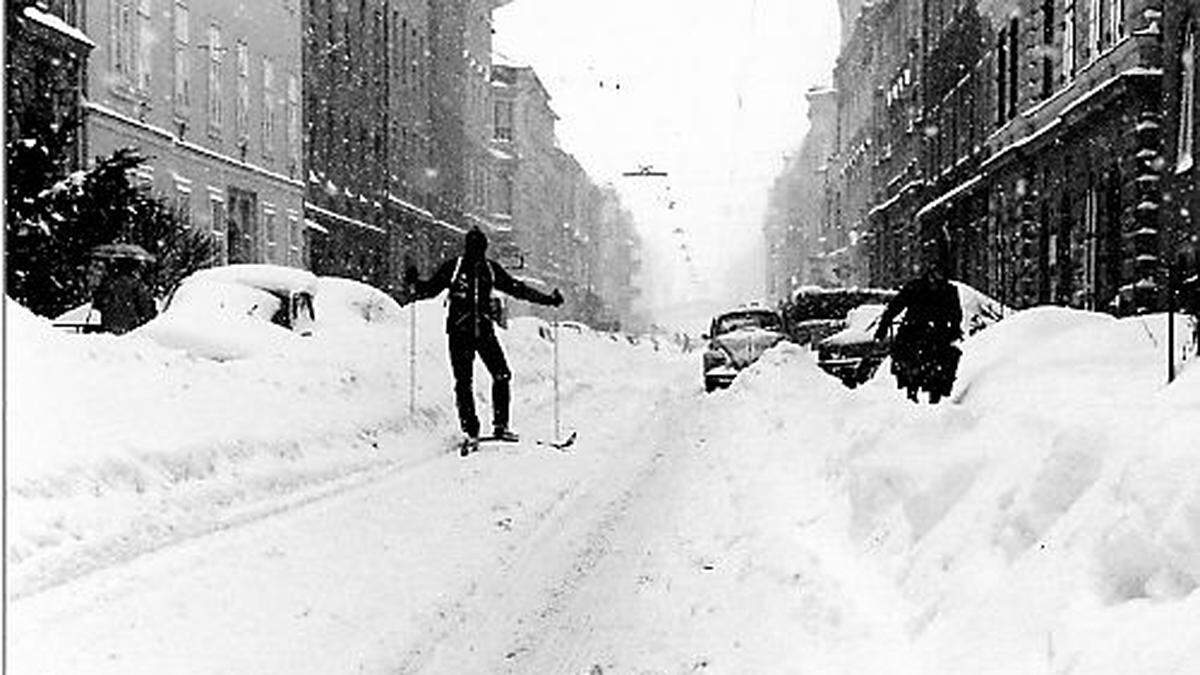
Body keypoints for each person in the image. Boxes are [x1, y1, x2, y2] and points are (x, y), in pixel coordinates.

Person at [404, 227, 564, 453]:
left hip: (474, 331)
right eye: (476, 246)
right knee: (478, 378)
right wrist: (548, 300)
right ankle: (480, 428)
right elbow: (517, 289)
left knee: (485, 377)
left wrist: (415, 283)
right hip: (465, 332)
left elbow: (429, 289)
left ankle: (484, 427)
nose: (477, 250)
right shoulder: (463, 268)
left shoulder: (478, 268)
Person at [873, 263, 963, 404]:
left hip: (938, 334)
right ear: (931, 272)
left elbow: (956, 313)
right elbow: (895, 306)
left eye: (943, 273)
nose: (940, 276)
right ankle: (911, 392)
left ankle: (936, 396)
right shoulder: (915, 287)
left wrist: (954, 329)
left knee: (945, 362)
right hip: (913, 331)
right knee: (908, 362)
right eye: (938, 272)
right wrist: (883, 326)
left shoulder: (949, 290)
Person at [92, 258, 157, 335]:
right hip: (131, 329)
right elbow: (146, 308)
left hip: (108, 327)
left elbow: (98, 303)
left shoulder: (108, 283)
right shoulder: (136, 284)